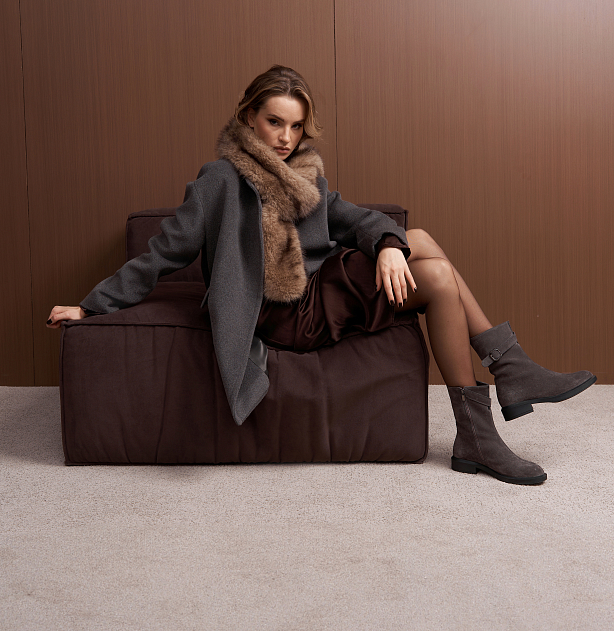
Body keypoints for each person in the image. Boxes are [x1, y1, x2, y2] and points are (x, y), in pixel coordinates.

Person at [47, 65, 595, 485]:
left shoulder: (304, 175)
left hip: (317, 287)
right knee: (436, 277)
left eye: (295, 125)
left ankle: (508, 372)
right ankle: (488, 412)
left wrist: (388, 246)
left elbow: (360, 218)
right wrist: (91, 305)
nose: (285, 137)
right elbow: (164, 252)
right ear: (248, 117)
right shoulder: (220, 181)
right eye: (274, 122)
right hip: (282, 313)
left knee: (417, 241)